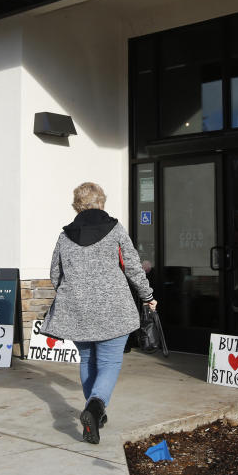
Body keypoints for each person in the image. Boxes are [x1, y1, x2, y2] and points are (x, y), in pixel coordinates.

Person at [41, 182, 157, 444]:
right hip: (114, 309)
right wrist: (147, 296)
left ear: (77, 206)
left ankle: (94, 412)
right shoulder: (115, 229)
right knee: (109, 363)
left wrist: (72, 294)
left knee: (87, 360)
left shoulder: (64, 236)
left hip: (76, 309)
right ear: (101, 202)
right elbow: (133, 267)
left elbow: (55, 274)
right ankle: (95, 408)